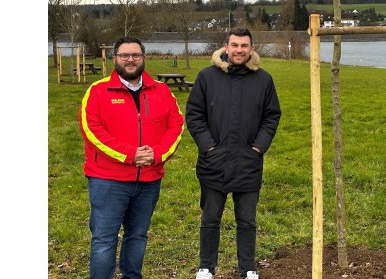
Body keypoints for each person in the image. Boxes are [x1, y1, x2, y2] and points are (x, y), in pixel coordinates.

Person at [79, 36, 185, 279]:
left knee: (137, 236)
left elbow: (176, 126)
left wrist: (156, 155)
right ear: (114, 58)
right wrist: (129, 155)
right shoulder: (97, 92)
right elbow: (91, 130)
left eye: (135, 55)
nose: (130, 59)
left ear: (143, 58)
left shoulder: (162, 91)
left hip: (148, 180)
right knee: (104, 240)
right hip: (108, 180)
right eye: (124, 55)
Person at [186, 28, 281, 279]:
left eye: (244, 46)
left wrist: (258, 147)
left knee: (247, 221)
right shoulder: (206, 77)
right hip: (213, 162)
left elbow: (272, 116)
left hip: (248, 162)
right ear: (226, 47)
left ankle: (248, 269)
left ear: (252, 48)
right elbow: (195, 115)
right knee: (210, 218)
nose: (239, 50)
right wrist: (208, 147)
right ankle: (206, 267)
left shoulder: (264, 80)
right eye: (235, 45)